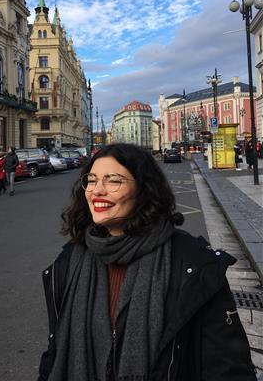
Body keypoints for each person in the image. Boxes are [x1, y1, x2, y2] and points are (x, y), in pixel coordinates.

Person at [38, 143, 256, 381]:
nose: (97, 190)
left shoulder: (192, 264)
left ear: (144, 190)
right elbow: (55, 352)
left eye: (113, 180)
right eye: (91, 180)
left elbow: (227, 369)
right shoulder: (69, 261)